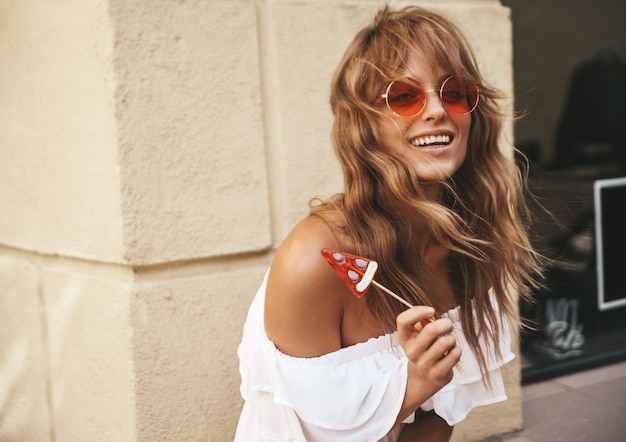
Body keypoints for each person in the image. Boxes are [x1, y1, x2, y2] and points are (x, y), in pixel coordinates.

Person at [235, 5, 541, 442]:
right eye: (404, 96)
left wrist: (429, 383)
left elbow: (440, 413)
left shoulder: (470, 240)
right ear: (366, 125)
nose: (437, 110)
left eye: (454, 92)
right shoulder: (311, 262)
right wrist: (413, 385)